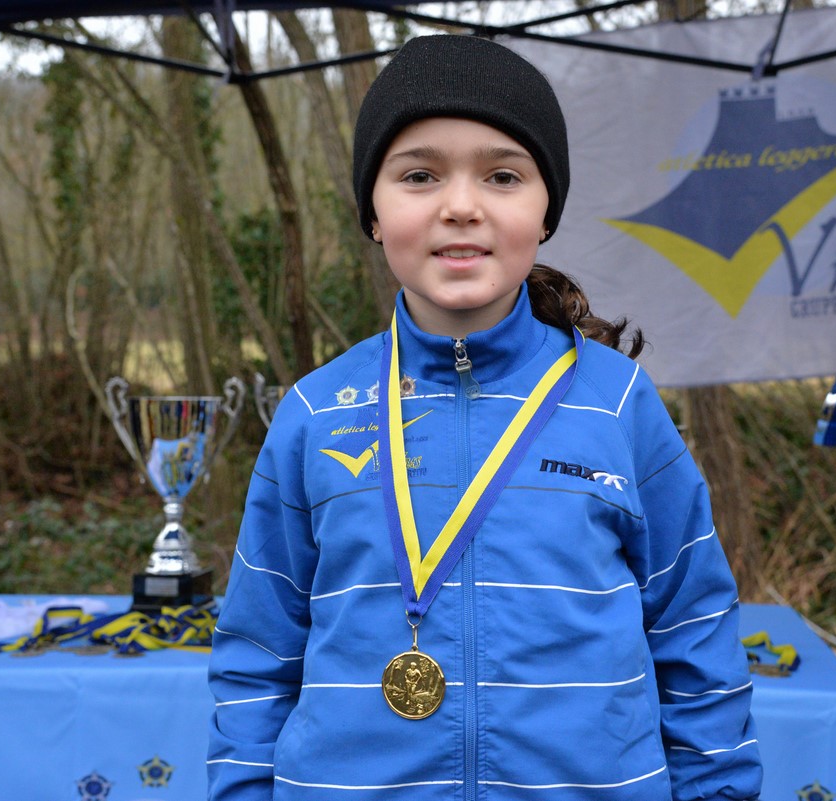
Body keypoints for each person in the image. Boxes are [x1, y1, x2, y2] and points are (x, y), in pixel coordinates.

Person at [207, 34, 761, 801]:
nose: (461, 206)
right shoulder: (313, 412)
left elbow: (694, 627)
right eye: (419, 175)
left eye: (503, 175)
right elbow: (256, 655)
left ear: (546, 211)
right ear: (373, 212)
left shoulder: (620, 403)